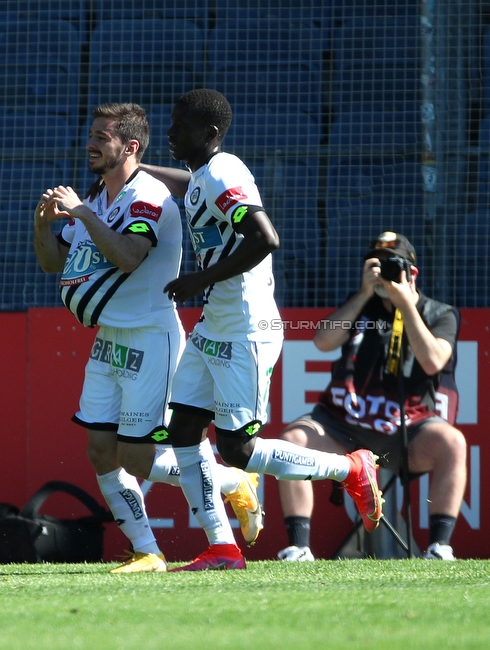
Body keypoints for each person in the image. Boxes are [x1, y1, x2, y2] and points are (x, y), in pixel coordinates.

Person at [140, 88, 383, 571]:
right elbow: (186, 188)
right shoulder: (202, 176)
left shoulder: (225, 170)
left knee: (238, 449)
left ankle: (352, 467)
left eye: (180, 125)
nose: (169, 132)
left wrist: (198, 280)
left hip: (247, 329)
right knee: (184, 428)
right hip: (215, 326)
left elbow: (264, 238)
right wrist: (134, 170)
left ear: (208, 134)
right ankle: (222, 547)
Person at [32, 102, 262, 574]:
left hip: (151, 337)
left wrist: (81, 212)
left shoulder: (148, 196)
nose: (91, 143)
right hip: (108, 337)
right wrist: (42, 226)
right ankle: (147, 551)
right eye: (91, 134)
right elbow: (54, 262)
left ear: (130, 147)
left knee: (137, 459)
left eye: (102, 136)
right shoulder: (95, 196)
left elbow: (129, 255)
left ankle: (228, 480)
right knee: (100, 450)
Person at [275, 232, 467, 561]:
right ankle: (299, 547)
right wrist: (365, 293)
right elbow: (322, 341)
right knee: (292, 440)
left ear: (413, 273)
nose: (384, 273)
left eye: (393, 266)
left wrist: (406, 304)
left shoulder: (440, 313)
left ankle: (439, 547)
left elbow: (434, 361)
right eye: (376, 264)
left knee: (452, 443)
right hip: (342, 424)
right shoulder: (361, 305)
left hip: (405, 430)